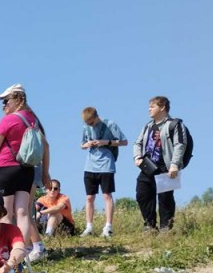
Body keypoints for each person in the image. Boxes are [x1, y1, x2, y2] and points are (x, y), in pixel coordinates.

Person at [0, 84, 50, 262]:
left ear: (17, 99)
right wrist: (45, 172)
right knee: (23, 212)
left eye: (6, 101)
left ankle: (8, 253)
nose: (3, 106)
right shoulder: (33, 120)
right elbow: (46, 146)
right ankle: (21, 249)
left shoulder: (7, 120)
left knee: (6, 214)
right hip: (26, 170)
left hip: (5, 168)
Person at [132, 96, 187, 232]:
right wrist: (137, 157)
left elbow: (180, 145)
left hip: (166, 166)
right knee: (142, 194)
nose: (149, 109)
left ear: (162, 107)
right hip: (148, 165)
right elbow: (137, 143)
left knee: (165, 198)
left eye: (152, 106)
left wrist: (174, 164)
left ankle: (165, 228)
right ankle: (149, 226)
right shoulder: (148, 126)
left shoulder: (174, 124)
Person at [80, 107, 128, 237]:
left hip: (106, 165)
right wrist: (87, 144)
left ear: (96, 117)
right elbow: (81, 145)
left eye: (91, 122)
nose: (89, 125)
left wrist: (106, 142)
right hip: (89, 166)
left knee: (107, 195)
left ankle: (108, 227)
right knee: (89, 197)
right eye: (87, 123)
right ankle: (89, 227)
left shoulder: (110, 124)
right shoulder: (86, 126)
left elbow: (124, 142)